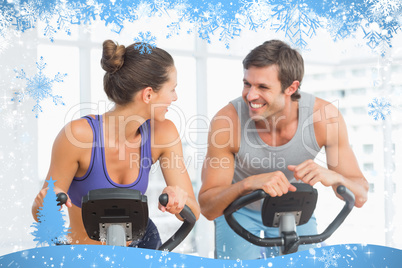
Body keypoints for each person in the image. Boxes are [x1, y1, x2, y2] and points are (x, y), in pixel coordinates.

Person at [198, 40, 368, 259]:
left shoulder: (324, 118)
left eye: (263, 87)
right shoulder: (226, 122)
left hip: (293, 207)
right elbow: (208, 208)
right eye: (247, 84)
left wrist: (334, 177)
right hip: (239, 208)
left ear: (291, 88)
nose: (250, 95)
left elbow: (360, 196)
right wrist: (248, 184)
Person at [32, 40, 200, 248]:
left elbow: (193, 211)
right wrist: (46, 203)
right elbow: (40, 214)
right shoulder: (78, 136)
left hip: (140, 249)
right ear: (148, 94)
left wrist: (179, 201)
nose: (175, 98)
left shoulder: (164, 133)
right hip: (86, 257)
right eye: (172, 89)